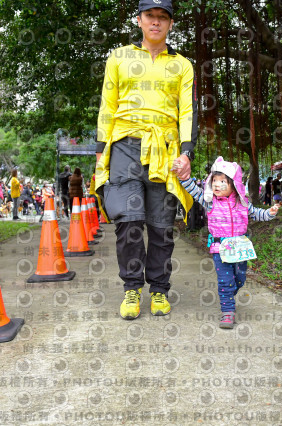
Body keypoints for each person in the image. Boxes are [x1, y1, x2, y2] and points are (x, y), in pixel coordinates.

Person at [94, 0, 197, 320]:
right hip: (124, 145)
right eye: (150, 16)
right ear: (139, 20)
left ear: (170, 24)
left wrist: (186, 152)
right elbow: (107, 106)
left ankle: (160, 290)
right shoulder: (119, 57)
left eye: (162, 17)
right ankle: (131, 288)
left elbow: (187, 111)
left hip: (164, 150)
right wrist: (101, 153)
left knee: (162, 225)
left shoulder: (182, 64)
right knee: (128, 220)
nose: (156, 22)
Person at [180, 157, 280, 328]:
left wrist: (270, 213)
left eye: (222, 181)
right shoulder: (209, 203)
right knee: (225, 281)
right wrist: (184, 178)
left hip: (240, 248)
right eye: (214, 181)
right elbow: (194, 191)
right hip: (220, 248)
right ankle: (227, 311)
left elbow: (257, 214)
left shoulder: (242, 204)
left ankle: (228, 295)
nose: (217, 185)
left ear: (234, 184)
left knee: (239, 279)